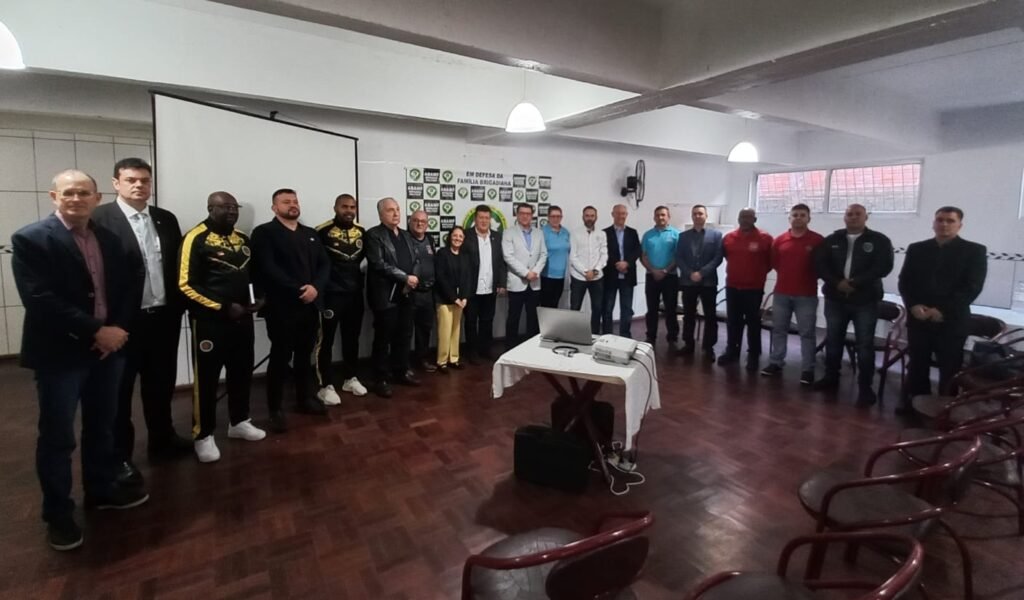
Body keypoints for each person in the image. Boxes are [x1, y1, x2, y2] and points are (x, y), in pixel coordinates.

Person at [12, 169, 149, 551]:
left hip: (108, 351)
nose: (76, 199)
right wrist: (95, 330)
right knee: (58, 437)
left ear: (97, 197)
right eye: (68, 193)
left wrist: (117, 329)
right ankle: (58, 514)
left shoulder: (109, 238)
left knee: (102, 426)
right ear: (54, 196)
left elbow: (128, 285)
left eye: (84, 193)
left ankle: (100, 490)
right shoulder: (31, 239)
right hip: (61, 353)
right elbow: (39, 299)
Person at [92, 158, 189, 488]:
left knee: (161, 384)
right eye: (131, 180)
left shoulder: (165, 218)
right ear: (116, 183)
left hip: (162, 317)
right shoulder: (100, 219)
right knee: (119, 392)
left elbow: (175, 266)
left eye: (144, 180)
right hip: (122, 322)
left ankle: (163, 440)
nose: (139, 185)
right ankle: (120, 455)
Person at [178, 192, 266, 463]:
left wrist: (258, 298)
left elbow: (253, 276)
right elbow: (186, 284)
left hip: (243, 321)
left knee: (241, 372)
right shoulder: (196, 237)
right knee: (207, 380)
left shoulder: (243, 239)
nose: (231, 211)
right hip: (210, 323)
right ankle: (203, 434)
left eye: (234, 207)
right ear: (210, 208)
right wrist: (223, 307)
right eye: (225, 207)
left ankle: (239, 421)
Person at [251, 188, 330, 432]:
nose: (292, 205)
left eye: (295, 201)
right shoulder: (264, 233)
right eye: (286, 202)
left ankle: (304, 399)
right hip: (282, 307)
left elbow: (325, 264)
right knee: (280, 357)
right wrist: (299, 290)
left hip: (310, 306)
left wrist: (316, 288)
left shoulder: (310, 234)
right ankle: (275, 409)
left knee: (304, 355)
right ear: (274, 208)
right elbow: (267, 268)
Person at [897, 206, 987, 414]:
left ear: (959, 225)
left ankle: (947, 412)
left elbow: (972, 287)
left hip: (951, 321)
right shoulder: (917, 249)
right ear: (933, 223)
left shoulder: (974, 251)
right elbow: (905, 281)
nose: (944, 224)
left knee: (950, 369)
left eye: (950, 220)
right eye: (940, 220)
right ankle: (916, 405)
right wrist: (913, 305)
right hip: (919, 318)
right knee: (917, 364)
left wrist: (941, 310)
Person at [813, 203, 894, 406]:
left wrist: (855, 283)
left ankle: (865, 388)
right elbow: (821, 265)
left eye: (858, 214)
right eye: (850, 214)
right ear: (844, 217)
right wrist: (836, 282)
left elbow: (883, 267)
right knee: (833, 340)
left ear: (866, 217)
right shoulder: (832, 240)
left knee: (865, 345)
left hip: (865, 300)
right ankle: (831, 377)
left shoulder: (879, 240)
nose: (854, 217)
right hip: (835, 298)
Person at [314, 193, 369, 405]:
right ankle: (325, 385)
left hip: (354, 294)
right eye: (344, 206)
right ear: (335, 208)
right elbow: (315, 263)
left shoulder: (362, 232)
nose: (349, 211)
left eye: (352, 207)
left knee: (352, 338)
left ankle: (350, 378)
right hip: (330, 295)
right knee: (325, 341)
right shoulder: (321, 231)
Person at [761, 204, 824, 384]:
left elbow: (822, 265)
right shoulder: (780, 240)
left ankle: (807, 369)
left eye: (802, 215)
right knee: (779, 329)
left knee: (807, 333)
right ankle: (776, 362)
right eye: (795, 215)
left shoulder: (817, 241)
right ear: (789, 218)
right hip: (782, 293)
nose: (798, 218)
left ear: (809, 218)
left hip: (806, 295)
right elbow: (775, 263)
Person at [365, 197, 420, 397]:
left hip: (406, 293)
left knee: (404, 335)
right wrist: (405, 278)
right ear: (381, 214)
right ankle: (380, 378)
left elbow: (416, 259)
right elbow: (378, 263)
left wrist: (411, 281)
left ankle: (401, 371)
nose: (396, 213)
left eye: (397, 209)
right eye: (390, 210)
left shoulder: (405, 234)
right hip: (385, 295)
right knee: (383, 337)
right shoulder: (373, 235)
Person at [718, 208, 773, 370]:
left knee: (753, 322)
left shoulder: (765, 238)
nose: (745, 219)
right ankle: (732, 350)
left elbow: (771, 262)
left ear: (755, 219)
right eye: (742, 216)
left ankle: (753, 354)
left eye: (749, 217)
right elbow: (727, 256)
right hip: (732, 286)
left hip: (753, 288)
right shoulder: (729, 238)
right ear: (738, 218)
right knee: (733, 321)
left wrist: (756, 274)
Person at [676, 204, 723, 361]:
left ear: (706, 216)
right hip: (688, 281)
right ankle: (688, 344)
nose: (697, 216)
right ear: (692, 216)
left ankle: (709, 348)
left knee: (710, 316)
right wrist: (690, 273)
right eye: (695, 213)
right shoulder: (683, 236)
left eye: (700, 213)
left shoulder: (716, 235)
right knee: (688, 315)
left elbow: (718, 258)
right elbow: (679, 257)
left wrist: (702, 273)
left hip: (708, 282)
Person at [462, 205, 506, 363]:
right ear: (475, 219)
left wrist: (501, 283)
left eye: (487, 218)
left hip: (490, 288)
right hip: (471, 288)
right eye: (481, 217)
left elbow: (501, 262)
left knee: (487, 321)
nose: (484, 221)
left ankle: (485, 349)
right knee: (471, 322)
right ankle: (472, 352)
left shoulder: (497, 237)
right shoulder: (466, 236)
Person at [503, 203, 548, 348]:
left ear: (532, 216)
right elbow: (508, 256)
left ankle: (531, 348)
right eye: (522, 213)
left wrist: (535, 272)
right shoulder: (508, 233)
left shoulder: (539, 233)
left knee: (532, 318)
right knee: (513, 317)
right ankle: (510, 348)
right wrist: (526, 273)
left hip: (534, 282)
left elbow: (543, 254)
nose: (525, 216)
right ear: (517, 215)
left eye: (528, 213)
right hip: (517, 282)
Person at [435, 226, 474, 371]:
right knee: (445, 331)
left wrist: (464, 297)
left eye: (460, 236)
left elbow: (468, 278)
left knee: (456, 330)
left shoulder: (465, 256)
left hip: (460, 300)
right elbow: (441, 278)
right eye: (455, 235)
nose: (457, 238)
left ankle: (454, 359)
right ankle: (442, 361)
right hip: (444, 299)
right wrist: (454, 298)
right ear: (450, 237)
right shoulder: (442, 253)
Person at [640, 206, 680, 348]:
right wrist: (653, 270)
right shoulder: (647, 235)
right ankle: (650, 336)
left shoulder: (676, 234)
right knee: (652, 309)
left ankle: (672, 337)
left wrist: (665, 270)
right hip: (651, 276)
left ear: (668, 217)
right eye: (657, 215)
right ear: (654, 217)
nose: (660, 217)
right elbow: (643, 256)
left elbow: (678, 256)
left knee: (671, 309)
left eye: (663, 215)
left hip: (670, 277)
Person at [602, 204, 641, 338]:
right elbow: (603, 252)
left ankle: (625, 336)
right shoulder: (604, 233)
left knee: (626, 309)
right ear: (612, 214)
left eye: (623, 213)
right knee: (607, 308)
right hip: (610, 276)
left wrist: (627, 263)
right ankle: (607, 336)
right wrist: (617, 264)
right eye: (618, 213)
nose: (620, 216)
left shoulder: (633, 232)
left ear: (626, 215)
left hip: (628, 276)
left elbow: (637, 250)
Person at [569, 205, 608, 334]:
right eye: (587, 216)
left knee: (597, 308)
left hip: (597, 277)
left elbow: (604, 255)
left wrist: (595, 270)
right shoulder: (575, 233)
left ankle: (594, 334)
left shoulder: (602, 234)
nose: (589, 218)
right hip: (579, 277)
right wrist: (585, 272)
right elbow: (573, 256)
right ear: (583, 217)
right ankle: (573, 334)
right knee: (575, 307)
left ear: (596, 217)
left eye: (592, 216)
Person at [408, 210, 438, 372]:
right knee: (405, 331)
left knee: (424, 329)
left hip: (428, 293)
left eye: (423, 221)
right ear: (410, 221)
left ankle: (422, 359)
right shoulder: (404, 238)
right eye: (416, 220)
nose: (419, 224)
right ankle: (403, 364)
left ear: (427, 224)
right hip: (410, 292)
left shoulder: (430, 239)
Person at [540, 206, 570, 308]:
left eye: (558, 216)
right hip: (546, 276)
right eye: (553, 216)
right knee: (545, 306)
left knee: (555, 305)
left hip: (561, 276)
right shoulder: (542, 232)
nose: (556, 219)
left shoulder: (566, 232)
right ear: (548, 217)